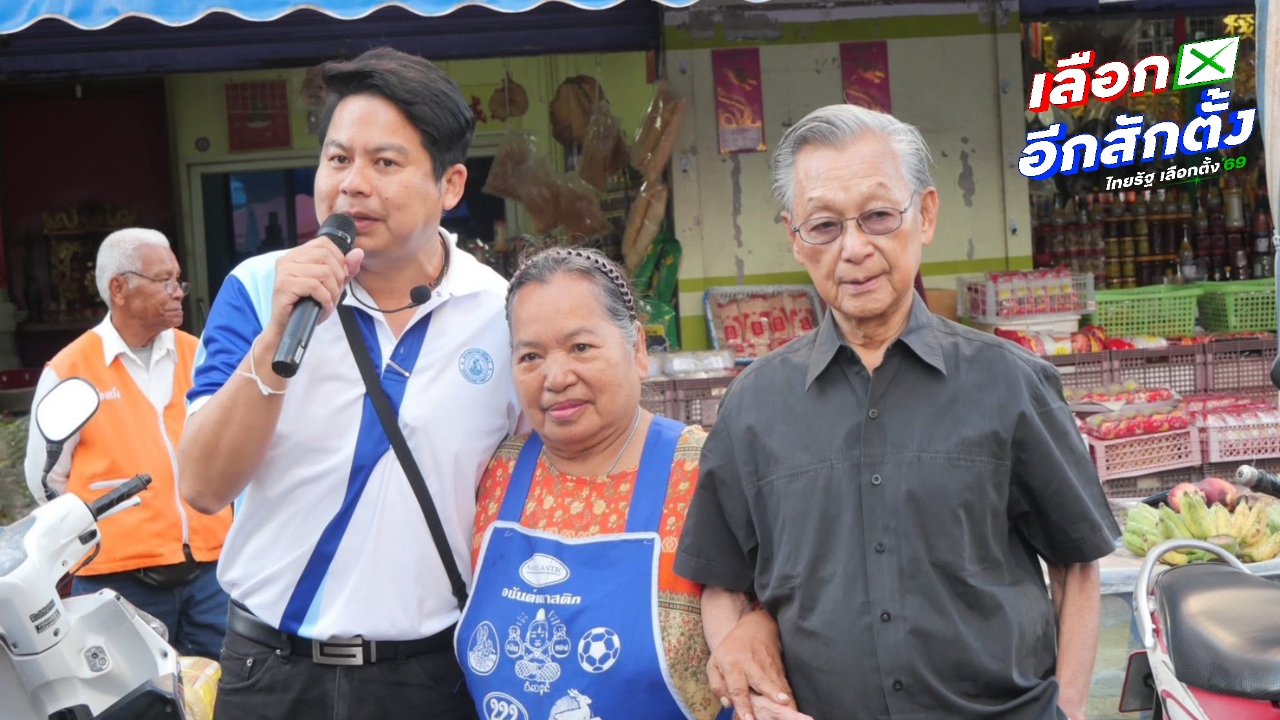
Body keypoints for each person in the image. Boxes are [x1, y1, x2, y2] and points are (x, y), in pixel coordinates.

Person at [675, 104, 1121, 720]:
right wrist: (748, 675)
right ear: (794, 238)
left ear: (926, 214)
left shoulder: (1012, 384)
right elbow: (721, 578)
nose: (854, 249)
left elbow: (1076, 565)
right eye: (824, 226)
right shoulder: (755, 406)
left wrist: (1067, 712)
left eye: (880, 216)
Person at [177, 47, 520, 720]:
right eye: (337, 159)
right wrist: (274, 343)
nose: (352, 184)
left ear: (450, 186)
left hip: (428, 674)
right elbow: (202, 486)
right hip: (270, 672)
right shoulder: (257, 290)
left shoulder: (502, 313)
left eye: (384, 163)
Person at [457, 246, 796, 720]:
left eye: (580, 347)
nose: (555, 377)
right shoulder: (496, 472)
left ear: (637, 347)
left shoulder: (703, 472)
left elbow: (789, 614)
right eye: (530, 355)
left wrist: (757, 632)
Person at [23, 227, 232, 659]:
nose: (178, 292)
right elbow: (45, 480)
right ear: (119, 288)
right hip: (116, 582)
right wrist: (117, 529)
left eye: (178, 279)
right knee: (136, 703)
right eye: (164, 280)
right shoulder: (70, 369)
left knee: (227, 693)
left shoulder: (200, 355)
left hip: (212, 573)